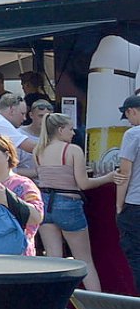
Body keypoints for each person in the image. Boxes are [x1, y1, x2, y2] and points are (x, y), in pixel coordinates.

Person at [36, 112, 120, 291]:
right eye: (70, 129)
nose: (74, 133)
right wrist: (109, 177)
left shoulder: (39, 150)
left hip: (45, 204)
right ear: (60, 130)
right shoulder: (72, 150)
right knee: (84, 260)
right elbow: (83, 184)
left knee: (53, 261)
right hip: (68, 204)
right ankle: (96, 308)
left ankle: (57, 308)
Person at [114, 95, 140, 292]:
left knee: (137, 256)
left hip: (135, 203)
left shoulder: (133, 134)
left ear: (132, 111)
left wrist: (118, 205)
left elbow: (125, 172)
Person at [15, 99, 56, 180]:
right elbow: (10, 170)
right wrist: (39, 172)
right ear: (31, 115)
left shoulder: (55, 136)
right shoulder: (18, 135)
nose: (44, 120)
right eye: (40, 116)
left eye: (48, 117)